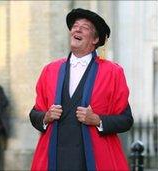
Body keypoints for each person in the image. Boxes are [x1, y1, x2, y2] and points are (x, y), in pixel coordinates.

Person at [29, 8, 134, 171]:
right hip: (55, 159)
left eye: (84, 27)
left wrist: (97, 120)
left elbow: (126, 120)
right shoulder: (50, 70)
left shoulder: (113, 72)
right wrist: (46, 116)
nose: (77, 29)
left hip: (94, 160)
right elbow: (34, 114)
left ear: (95, 39)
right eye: (75, 26)